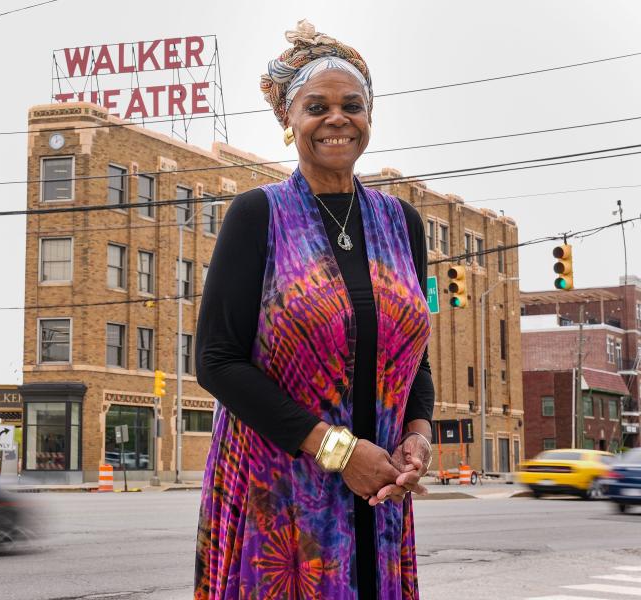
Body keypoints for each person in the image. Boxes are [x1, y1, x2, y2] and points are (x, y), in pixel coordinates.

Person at [193, 20, 435, 599]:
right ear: (289, 122)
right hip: (277, 490)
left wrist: (418, 436)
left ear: (369, 117)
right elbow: (217, 360)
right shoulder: (258, 215)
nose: (336, 118)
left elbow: (415, 356)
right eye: (315, 106)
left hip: (379, 490)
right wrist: (338, 449)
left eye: (352, 105)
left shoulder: (402, 224)